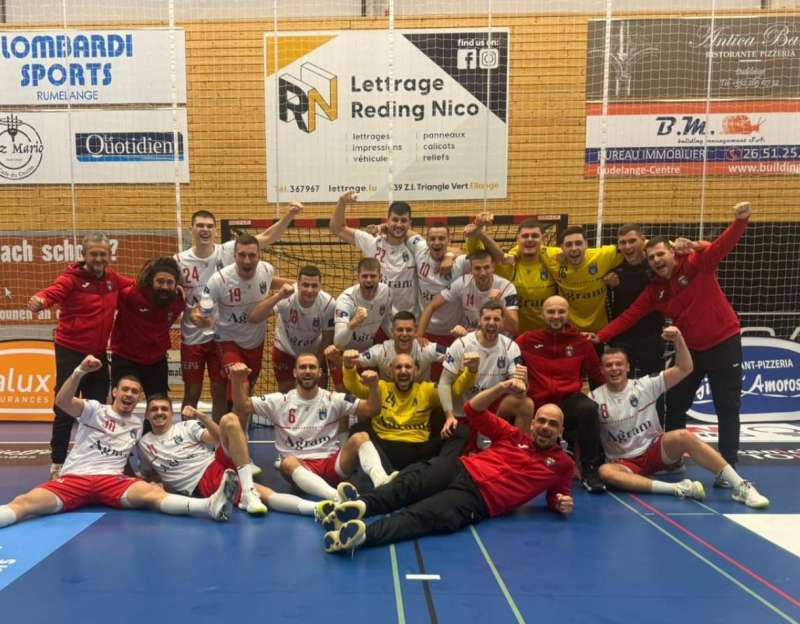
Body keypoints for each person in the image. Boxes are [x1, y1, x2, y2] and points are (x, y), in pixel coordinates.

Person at [320, 379, 574, 553]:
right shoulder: (513, 436)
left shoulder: (563, 465)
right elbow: (473, 410)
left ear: (561, 431)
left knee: (422, 515)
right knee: (409, 483)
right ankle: (361, 507)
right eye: (542, 421)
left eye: (553, 424)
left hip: (478, 499)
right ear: (532, 424)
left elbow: (557, 495)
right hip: (460, 467)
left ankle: (361, 536)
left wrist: (561, 502)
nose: (545, 427)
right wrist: (502, 387)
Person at [596, 202, 753, 481]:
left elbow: (721, 247)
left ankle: (728, 465)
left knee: (727, 407)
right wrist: (600, 336)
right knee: (676, 403)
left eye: (660, 254)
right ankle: (673, 459)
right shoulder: (654, 291)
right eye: (652, 258)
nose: (657, 260)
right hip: (692, 351)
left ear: (671, 252)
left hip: (724, 343)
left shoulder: (696, 264)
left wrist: (740, 221)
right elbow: (630, 316)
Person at [0, 355, 237, 529]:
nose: (129, 394)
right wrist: (79, 371)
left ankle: (209, 506)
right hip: (75, 478)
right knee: (24, 503)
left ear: (138, 398)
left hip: (112, 482)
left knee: (153, 494)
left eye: (134, 391)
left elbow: (124, 458)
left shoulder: (136, 425)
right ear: (115, 392)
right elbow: (62, 402)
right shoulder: (94, 409)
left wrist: (139, 479)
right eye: (125, 389)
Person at [591, 328, 769, 508]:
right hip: (624, 462)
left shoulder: (644, 385)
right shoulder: (594, 398)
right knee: (605, 472)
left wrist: (679, 339)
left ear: (628, 367)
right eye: (609, 365)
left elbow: (685, 368)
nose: (614, 369)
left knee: (683, 435)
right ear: (602, 370)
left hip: (654, 451)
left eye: (619, 364)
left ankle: (741, 486)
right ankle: (677, 488)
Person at [175, 206, 302, 418]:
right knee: (194, 391)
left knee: (221, 391)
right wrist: (196, 316)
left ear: (215, 230)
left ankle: (224, 432)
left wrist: (289, 215)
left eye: (209, 226)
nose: (205, 229)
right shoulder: (181, 261)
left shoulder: (229, 251)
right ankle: (192, 434)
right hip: (201, 335)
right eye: (200, 225)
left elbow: (268, 238)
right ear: (191, 229)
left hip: (227, 334)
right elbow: (182, 297)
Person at [28, 231, 133, 479]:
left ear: (109, 255)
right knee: (65, 406)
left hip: (98, 353)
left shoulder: (112, 279)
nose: (99, 258)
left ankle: (93, 460)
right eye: (94, 254)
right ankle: (58, 463)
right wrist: (39, 300)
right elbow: (51, 293)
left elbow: (137, 285)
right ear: (84, 254)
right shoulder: (70, 279)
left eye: (103, 254)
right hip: (70, 352)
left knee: (97, 409)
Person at [230, 357, 391, 504]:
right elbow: (243, 406)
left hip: (332, 465)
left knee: (361, 437)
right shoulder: (279, 401)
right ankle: (336, 496)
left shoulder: (333, 399)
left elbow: (372, 409)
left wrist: (373, 386)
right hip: (300, 468)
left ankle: (382, 482)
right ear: (295, 372)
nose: (307, 371)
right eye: (303, 367)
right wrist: (237, 380)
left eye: (312, 367)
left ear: (320, 372)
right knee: (287, 462)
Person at [139, 397, 331, 517]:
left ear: (171, 413)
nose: (159, 412)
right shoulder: (144, 444)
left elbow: (216, 438)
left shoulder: (186, 427)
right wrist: (156, 484)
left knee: (230, 419)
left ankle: (248, 492)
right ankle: (317, 508)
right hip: (202, 480)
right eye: (154, 409)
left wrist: (202, 417)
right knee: (265, 494)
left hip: (216, 461)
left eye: (164, 409)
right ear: (147, 415)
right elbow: (150, 474)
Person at [194, 233, 291, 423]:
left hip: (255, 342)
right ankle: (229, 438)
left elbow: (270, 281)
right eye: (242, 255)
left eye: (252, 255)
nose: (247, 260)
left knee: (246, 392)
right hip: (228, 341)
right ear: (234, 256)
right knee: (240, 385)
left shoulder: (266, 269)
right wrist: (199, 318)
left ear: (259, 256)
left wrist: (301, 285)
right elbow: (201, 307)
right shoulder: (220, 280)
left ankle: (237, 433)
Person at [516, 295, 607, 492]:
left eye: (561, 312)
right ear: (542, 314)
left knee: (589, 409)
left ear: (568, 314)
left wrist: (622, 391)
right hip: (538, 402)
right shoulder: (527, 340)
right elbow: (505, 357)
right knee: (516, 404)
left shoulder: (581, 342)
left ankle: (590, 471)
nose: (556, 316)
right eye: (551, 312)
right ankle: (520, 463)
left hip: (568, 401)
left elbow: (597, 374)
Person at [342, 350, 473, 472]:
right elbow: (355, 386)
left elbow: (453, 391)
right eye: (398, 367)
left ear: (416, 371)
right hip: (383, 448)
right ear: (390, 371)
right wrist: (349, 367)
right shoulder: (380, 386)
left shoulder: (426, 390)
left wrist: (470, 371)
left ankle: (440, 471)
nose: (403, 371)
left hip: (418, 450)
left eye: (408, 367)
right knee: (357, 430)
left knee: (460, 431)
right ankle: (382, 474)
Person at [439, 301, 531, 433]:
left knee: (526, 404)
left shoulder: (511, 347)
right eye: (487, 318)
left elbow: (518, 391)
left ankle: (522, 444)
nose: (491, 323)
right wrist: (449, 416)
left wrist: (523, 383)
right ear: (479, 321)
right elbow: (444, 382)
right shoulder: (461, 344)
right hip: (463, 413)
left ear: (503, 322)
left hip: (492, 414)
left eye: (496, 319)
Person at [248, 265, 335, 392]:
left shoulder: (328, 304)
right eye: (305, 285)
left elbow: (328, 338)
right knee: (286, 392)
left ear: (320, 286)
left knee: (316, 392)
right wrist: (278, 296)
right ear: (297, 284)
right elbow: (254, 317)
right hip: (285, 349)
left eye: (314, 286)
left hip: (313, 352)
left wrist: (316, 362)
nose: (310, 290)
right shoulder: (287, 297)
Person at [330, 191, 417, 316]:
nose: (399, 224)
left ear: (410, 223)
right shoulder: (372, 243)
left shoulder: (415, 247)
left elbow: (440, 250)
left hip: (407, 321)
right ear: (388, 221)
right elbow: (337, 228)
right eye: (395, 220)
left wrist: (446, 256)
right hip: (377, 319)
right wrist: (342, 202)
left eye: (403, 220)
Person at [465, 214, 557, 332]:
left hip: (548, 333)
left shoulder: (553, 259)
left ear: (542, 239)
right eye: (525, 236)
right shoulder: (507, 265)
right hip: (516, 335)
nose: (530, 239)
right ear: (518, 239)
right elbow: (476, 251)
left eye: (535, 236)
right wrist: (477, 226)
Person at [110, 256, 184, 398]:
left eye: (170, 282)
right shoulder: (130, 295)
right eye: (160, 281)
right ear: (151, 281)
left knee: (159, 403)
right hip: (126, 358)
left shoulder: (178, 301)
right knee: (122, 401)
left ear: (176, 284)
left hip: (156, 360)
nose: (165, 286)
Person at [602, 224, 665, 380]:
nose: (627, 246)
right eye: (622, 242)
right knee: (621, 383)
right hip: (622, 336)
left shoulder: (656, 264)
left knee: (653, 383)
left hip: (651, 334)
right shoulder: (614, 269)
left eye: (632, 241)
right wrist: (609, 284)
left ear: (643, 241)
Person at [417, 249, 519, 339]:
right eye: (477, 268)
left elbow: (513, 328)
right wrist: (418, 337)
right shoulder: (463, 283)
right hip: (473, 338)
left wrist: (499, 304)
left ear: (493, 267)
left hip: (499, 340)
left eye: (486, 267)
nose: (483, 273)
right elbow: (432, 305)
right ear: (471, 269)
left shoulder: (507, 287)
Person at [539, 225, 623, 333]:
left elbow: (633, 247)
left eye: (578, 243)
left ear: (586, 244)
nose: (574, 248)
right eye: (568, 245)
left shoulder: (602, 256)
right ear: (561, 248)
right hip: (569, 330)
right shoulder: (552, 258)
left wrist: (617, 273)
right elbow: (528, 245)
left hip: (600, 329)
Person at [406, 223, 469, 349]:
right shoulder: (420, 249)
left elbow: (479, 258)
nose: (436, 242)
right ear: (426, 241)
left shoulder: (460, 262)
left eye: (441, 238)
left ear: (448, 240)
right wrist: (382, 227)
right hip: (425, 329)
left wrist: (450, 255)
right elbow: (405, 231)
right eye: (432, 238)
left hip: (455, 331)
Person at [357, 311, 446, 382]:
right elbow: (353, 362)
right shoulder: (381, 351)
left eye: (409, 330)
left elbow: (453, 356)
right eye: (400, 330)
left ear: (415, 331)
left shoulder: (426, 348)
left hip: (421, 397)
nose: (404, 334)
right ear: (392, 331)